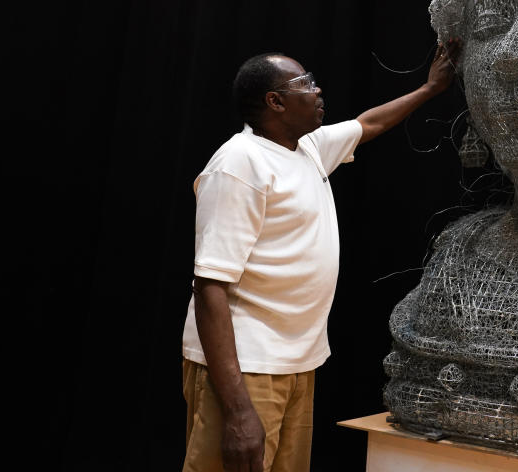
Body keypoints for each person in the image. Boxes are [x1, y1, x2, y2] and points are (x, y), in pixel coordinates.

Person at [181, 39, 461, 472]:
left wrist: (429, 90)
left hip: (296, 363)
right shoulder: (239, 165)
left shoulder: (305, 149)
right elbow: (210, 285)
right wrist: (237, 409)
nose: (317, 90)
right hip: (247, 367)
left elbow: (367, 124)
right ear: (275, 101)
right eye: (304, 82)